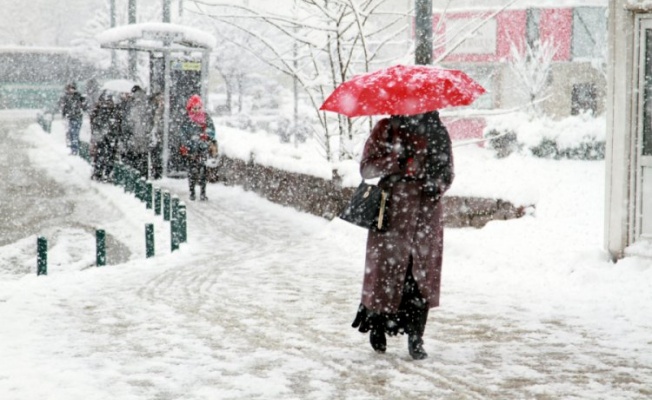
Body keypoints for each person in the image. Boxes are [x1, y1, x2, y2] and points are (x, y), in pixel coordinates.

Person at [351, 110, 454, 360]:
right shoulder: (385, 129)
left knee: (419, 277)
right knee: (384, 274)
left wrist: (435, 184)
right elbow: (366, 169)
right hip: (391, 214)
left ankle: (416, 337)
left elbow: (448, 173)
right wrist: (396, 160)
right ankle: (377, 326)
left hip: (425, 216)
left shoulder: (438, 132)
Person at [180, 94, 217, 201]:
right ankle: (192, 192)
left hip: (203, 148)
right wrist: (188, 142)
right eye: (194, 108)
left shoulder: (206, 118)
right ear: (190, 108)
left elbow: (212, 130)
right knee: (192, 171)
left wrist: (206, 136)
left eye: (199, 107)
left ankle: (203, 192)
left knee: (203, 171)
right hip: (191, 150)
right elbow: (182, 134)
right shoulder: (187, 120)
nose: (197, 110)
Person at [90, 91, 121, 182]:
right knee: (106, 156)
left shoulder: (99, 110)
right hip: (106, 137)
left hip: (105, 137)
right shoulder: (110, 111)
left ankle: (100, 173)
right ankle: (103, 173)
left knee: (103, 155)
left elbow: (94, 123)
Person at [121, 85, 152, 177]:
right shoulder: (146, 103)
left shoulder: (131, 104)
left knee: (133, 163)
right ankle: (143, 179)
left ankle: (135, 180)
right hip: (143, 139)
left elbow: (127, 122)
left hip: (133, 139)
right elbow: (149, 122)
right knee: (143, 162)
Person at [59, 82, 86, 155]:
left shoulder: (78, 96)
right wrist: (64, 115)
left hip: (77, 117)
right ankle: (74, 148)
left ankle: (75, 149)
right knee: (71, 133)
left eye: (71, 88)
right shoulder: (66, 97)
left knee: (75, 133)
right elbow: (64, 107)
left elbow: (84, 106)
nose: (70, 90)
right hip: (71, 117)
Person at [148, 92, 164, 180]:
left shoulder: (164, 109)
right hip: (154, 133)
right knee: (154, 153)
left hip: (159, 134)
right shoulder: (152, 108)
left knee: (158, 153)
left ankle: (158, 171)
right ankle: (155, 171)